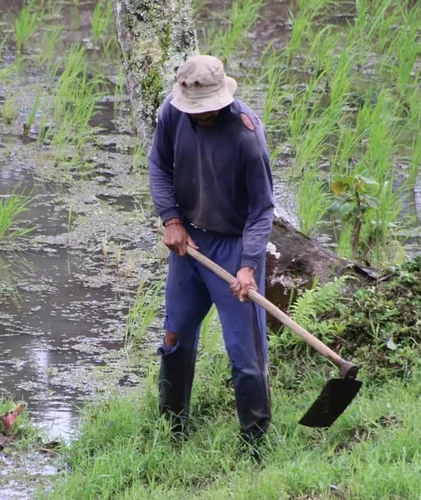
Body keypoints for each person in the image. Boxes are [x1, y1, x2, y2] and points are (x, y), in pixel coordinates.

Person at [146, 54, 275, 456]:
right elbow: (158, 165)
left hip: (234, 245)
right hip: (190, 245)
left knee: (245, 353)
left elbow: (262, 209)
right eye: (194, 111)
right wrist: (171, 220)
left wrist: (249, 265)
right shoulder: (171, 113)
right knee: (175, 336)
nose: (201, 116)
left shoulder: (246, 134)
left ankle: (255, 442)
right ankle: (172, 427)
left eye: (208, 110)